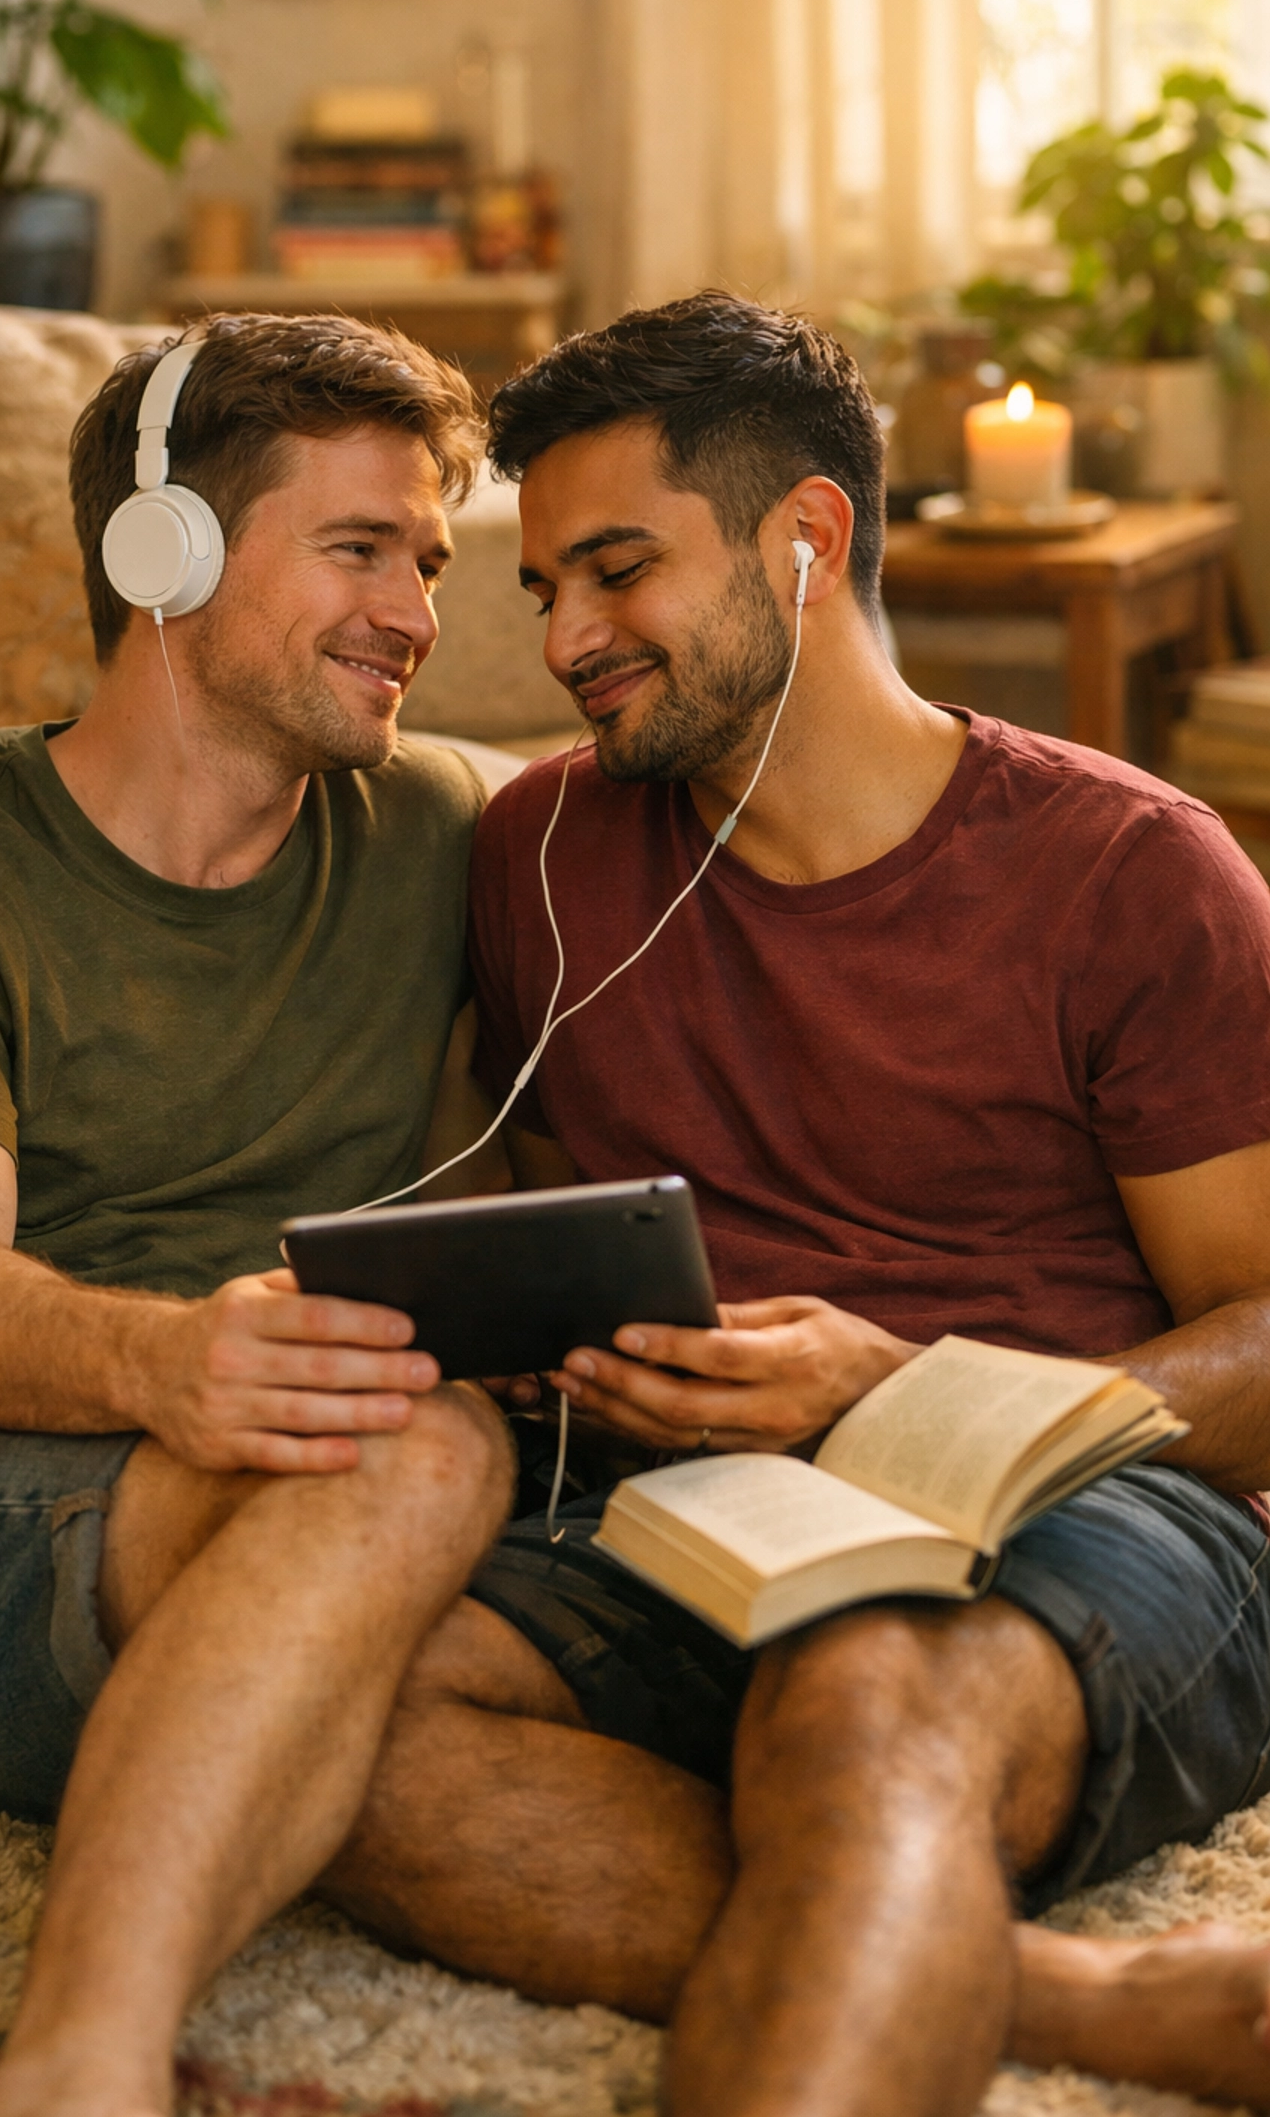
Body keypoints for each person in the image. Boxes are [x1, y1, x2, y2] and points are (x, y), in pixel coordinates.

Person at [320, 292, 1270, 2117]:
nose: (568, 642)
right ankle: (1070, 2000)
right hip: (678, 1511)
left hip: (1079, 1519)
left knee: (858, 1706)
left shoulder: (1134, 872)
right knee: (326, 1728)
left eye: (618, 572)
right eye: (542, 591)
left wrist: (900, 1390)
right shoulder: (538, 856)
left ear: (807, 541)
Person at [0, 310, 515, 2117]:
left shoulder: (435, 830)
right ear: (158, 547)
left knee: (413, 1687)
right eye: (357, 549)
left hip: (261, 1486)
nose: (416, 613)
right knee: (415, 1459)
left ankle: (1046, 1996)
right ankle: (78, 2068)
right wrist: (174, 1361)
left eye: (431, 561)